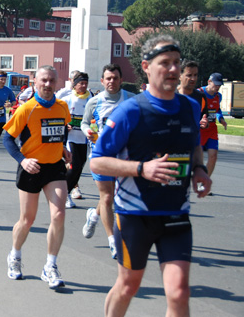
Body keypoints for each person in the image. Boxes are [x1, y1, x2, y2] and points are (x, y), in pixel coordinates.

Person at [89, 34, 212, 316]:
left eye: (177, 63)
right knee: (128, 285)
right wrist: (142, 169)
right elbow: (97, 163)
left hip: (175, 214)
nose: (172, 69)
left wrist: (199, 169)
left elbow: (194, 143)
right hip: (135, 215)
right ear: (146, 66)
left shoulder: (190, 107)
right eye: (164, 63)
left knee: (179, 293)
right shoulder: (130, 111)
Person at [3, 65, 72, 289]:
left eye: (52, 80)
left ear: (57, 82)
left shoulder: (62, 107)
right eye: (43, 80)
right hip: (31, 168)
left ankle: (50, 266)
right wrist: (23, 160)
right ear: (35, 83)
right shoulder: (27, 108)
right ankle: (15, 256)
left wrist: (63, 149)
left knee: (59, 214)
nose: (48, 84)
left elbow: (59, 131)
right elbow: (7, 139)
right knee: (27, 220)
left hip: (54, 168)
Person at [81, 64, 135, 259]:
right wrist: (87, 130)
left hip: (124, 156)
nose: (111, 81)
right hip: (100, 155)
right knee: (107, 198)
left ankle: (93, 216)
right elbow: (85, 121)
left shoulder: (131, 100)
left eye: (115, 78)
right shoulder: (94, 101)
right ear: (102, 81)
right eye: (108, 78)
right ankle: (113, 240)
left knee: (112, 197)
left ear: (121, 80)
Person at [57, 72, 93, 208]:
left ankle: (66, 190)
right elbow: (58, 115)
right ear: (75, 84)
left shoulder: (91, 98)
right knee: (74, 165)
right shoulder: (67, 99)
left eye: (85, 83)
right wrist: (65, 124)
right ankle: (64, 194)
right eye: (81, 83)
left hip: (84, 139)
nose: (83, 86)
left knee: (80, 167)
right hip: (70, 138)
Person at [199, 72, 228, 178]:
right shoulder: (199, 93)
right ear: (209, 82)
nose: (217, 87)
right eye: (215, 84)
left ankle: (204, 181)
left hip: (211, 130)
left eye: (219, 85)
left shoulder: (218, 96)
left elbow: (217, 109)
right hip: (199, 130)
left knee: (213, 157)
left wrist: (221, 119)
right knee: (199, 160)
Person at [177, 60, 208, 131]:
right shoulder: (169, 96)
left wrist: (205, 123)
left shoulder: (201, 97)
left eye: (195, 75)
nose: (193, 79)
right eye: (189, 75)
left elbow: (205, 119)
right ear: (179, 76)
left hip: (193, 140)